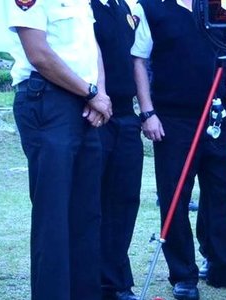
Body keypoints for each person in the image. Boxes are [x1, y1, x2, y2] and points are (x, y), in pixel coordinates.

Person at [130, 0, 226, 298]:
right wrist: (148, 112)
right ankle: (183, 274)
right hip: (173, 119)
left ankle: (222, 266)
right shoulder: (151, 8)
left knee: (223, 193)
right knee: (176, 196)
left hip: (215, 115)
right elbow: (138, 60)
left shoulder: (216, 7)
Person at [8, 0, 112, 298]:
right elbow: (38, 54)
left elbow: (93, 49)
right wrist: (90, 92)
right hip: (48, 100)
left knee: (87, 215)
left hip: (85, 102)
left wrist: (99, 94)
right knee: (53, 216)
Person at [91, 0, 142, 298]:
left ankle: (116, 280)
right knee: (94, 201)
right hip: (96, 113)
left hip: (126, 115)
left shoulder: (123, 7)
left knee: (124, 200)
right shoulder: (85, 6)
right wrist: (94, 97)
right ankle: (93, 280)